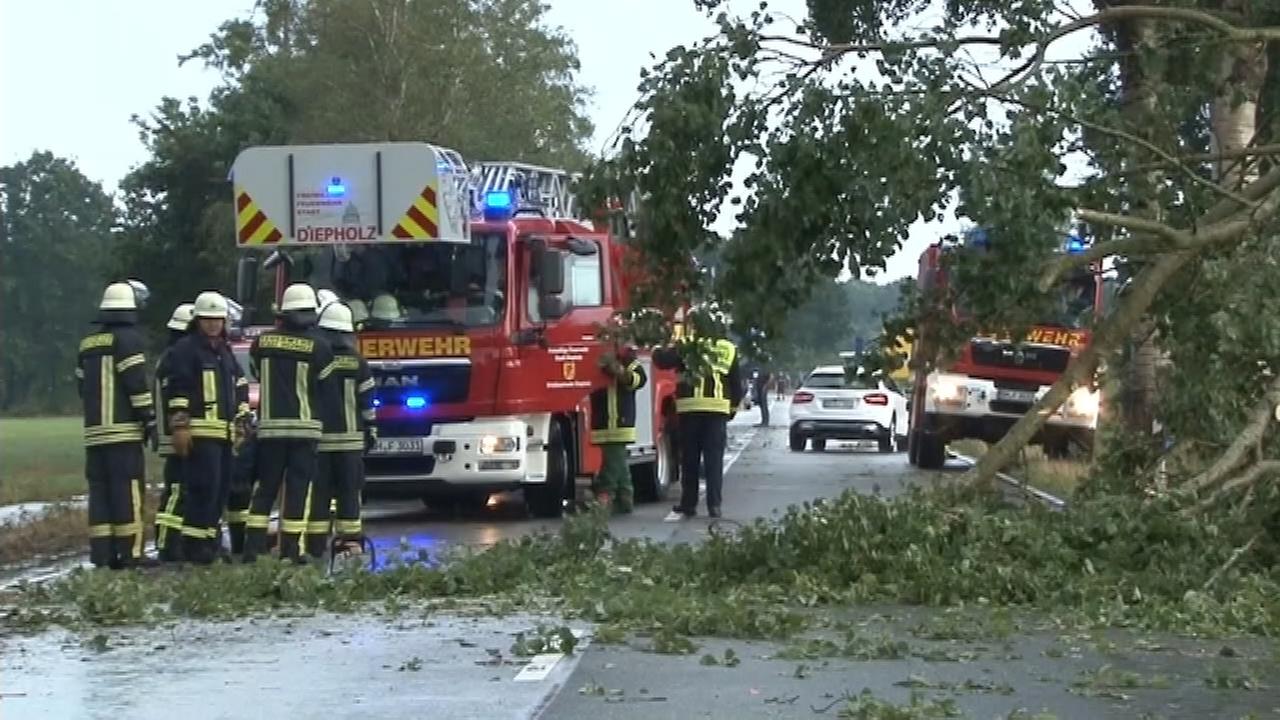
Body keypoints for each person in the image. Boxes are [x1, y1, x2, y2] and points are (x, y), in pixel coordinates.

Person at [244, 283, 335, 563]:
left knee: (265, 489)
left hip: (270, 430)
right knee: (297, 491)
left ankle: (253, 549)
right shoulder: (319, 347)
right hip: (304, 430)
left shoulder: (262, 343)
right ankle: (290, 551)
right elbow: (326, 389)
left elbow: (255, 372)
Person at [77, 281, 156, 569]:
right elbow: (136, 383)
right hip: (122, 433)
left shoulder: (88, 343)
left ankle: (102, 554)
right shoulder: (129, 340)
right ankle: (131, 553)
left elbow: (81, 385)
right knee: (128, 491)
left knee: (100, 494)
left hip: (94, 433)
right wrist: (148, 418)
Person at [165, 292, 247, 564]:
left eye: (218, 320)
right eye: (207, 320)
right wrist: (180, 426)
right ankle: (195, 547)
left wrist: (241, 422)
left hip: (223, 435)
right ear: (197, 321)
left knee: (220, 491)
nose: (213, 325)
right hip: (200, 434)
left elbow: (238, 386)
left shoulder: (224, 351)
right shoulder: (186, 350)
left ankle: (209, 543)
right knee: (203, 489)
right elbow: (179, 389)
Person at [655, 311, 743, 521]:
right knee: (714, 461)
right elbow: (736, 385)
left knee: (690, 460)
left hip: (690, 410)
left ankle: (689, 504)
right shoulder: (727, 348)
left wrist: (658, 344)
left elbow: (662, 361)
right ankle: (714, 505)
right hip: (717, 412)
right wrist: (730, 410)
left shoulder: (687, 345)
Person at [305, 302, 376, 559]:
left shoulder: (314, 359)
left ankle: (315, 544)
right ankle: (350, 543)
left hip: (319, 442)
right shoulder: (358, 361)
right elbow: (367, 400)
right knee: (349, 493)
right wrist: (372, 429)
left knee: (319, 494)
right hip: (350, 442)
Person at [153, 301, 195, 562]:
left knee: (183, 489)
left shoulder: (171, 356)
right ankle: (167, 543)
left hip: (177, 436)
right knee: (177, 490)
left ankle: (179, 542)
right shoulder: (173, 359)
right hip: (175, 438)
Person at [589, 344, 646, 515]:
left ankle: (604, 495)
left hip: (620, 421)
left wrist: (620, 372)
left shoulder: (629, 361)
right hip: (603, 421)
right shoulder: (595, 359)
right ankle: (624, 500)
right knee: (618, 461)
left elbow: (639, 380)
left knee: (613, 461)